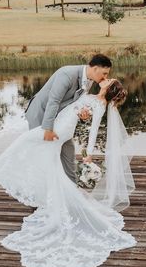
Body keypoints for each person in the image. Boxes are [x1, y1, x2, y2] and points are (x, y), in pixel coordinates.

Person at [0, 78, 136, 267]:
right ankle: (48, 196)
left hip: (60, 130)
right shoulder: (92, 96)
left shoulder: (100, 104)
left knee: (25, 141)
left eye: (109, 80)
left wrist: (88, 154)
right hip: (60, 125)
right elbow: (79, 110)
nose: (106, 78)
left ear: (109, 89)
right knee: (47, 163)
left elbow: (93, 130)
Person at [24, 54, 112, 183]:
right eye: (104, 73)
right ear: (95, 68)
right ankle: (36, 190)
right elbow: (53, 101)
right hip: (41, 114)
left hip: (60, 119)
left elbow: (75, 103)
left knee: (68, 150)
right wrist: (47, 129)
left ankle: (72, 187)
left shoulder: (90, 80)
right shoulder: (66, 74)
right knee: (41, 153)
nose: (105, 77)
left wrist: (83, 115)